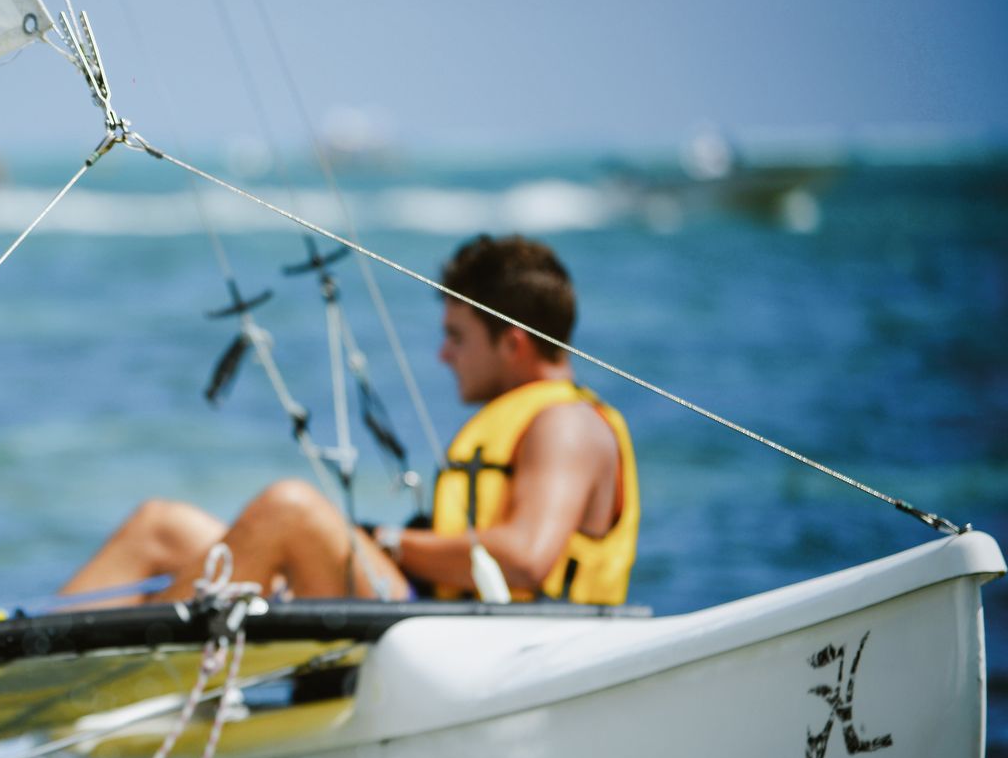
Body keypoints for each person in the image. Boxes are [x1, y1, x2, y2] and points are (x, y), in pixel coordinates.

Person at [58, 234, 639, 607]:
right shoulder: (525, 418)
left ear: (513, 345)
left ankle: (121, 674)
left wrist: (385, 541)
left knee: (290, 508)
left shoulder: (565, 424)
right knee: (163, 525)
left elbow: (525, 559)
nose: (444, 355)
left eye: (456, 337)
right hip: (427, 610)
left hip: (469, 643)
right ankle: (28, 652)